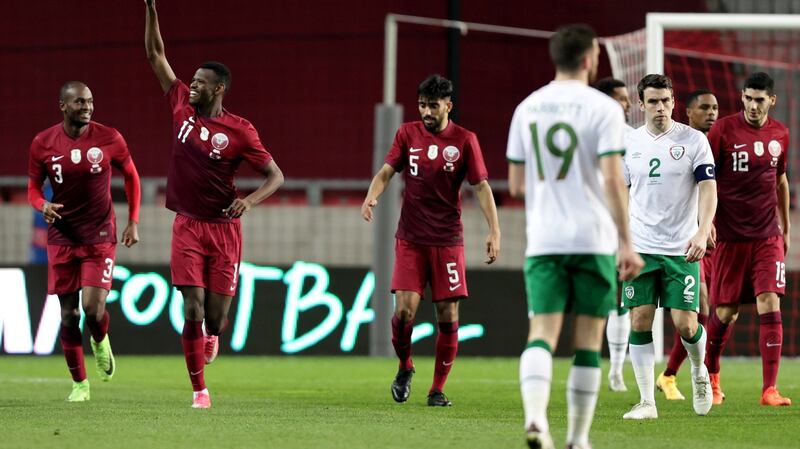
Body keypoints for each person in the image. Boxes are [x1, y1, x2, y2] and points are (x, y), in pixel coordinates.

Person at [508, 24, 643, 449]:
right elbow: (611, 177)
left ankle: (535, 419)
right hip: (592, 239)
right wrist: (626, 240)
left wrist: (554, 192)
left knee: (540, 334)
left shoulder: (526, 108)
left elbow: (514, 184)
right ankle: (578, 439)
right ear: (588, 59)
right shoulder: (604, 109)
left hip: (545, 240)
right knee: (587, 342)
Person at [144, 0, 284, 409]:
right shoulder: (180, 105)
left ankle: (214, 336)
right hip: (187, 224)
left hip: (224, 230)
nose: (193, 85)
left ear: (218, 88)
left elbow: (276, 176)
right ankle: (199, 390)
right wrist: (151, 8)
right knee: (191, 306)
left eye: (201, 82)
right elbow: (155, 54)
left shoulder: (240, 131)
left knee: (215, 317)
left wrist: (250, 201)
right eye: (193, 80)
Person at [361, 74, 501, 408]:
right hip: (410, 238)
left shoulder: (465, 140)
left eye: (432, 105)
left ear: (448, 106)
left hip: (447, 240)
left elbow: (481, 187)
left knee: (448, 316)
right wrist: (371, 196)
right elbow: (386, 173)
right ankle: (405, 367)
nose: (426, 111)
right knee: (405, 312)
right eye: (422, 104)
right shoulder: (407, 133)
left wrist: (494, 230)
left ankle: (436, 389)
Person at [28, 81, 141, 402]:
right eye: (79, 103)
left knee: (92, 309)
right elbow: (33, 188)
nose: (87, 107)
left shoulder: (110, 138)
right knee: (68, 315)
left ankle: (100, 340)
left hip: (100, 234)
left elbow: (131, 175)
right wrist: (42, 206)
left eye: (90, 101)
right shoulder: (42, 143)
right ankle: (80, 384)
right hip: (62, 236)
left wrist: (133, 220)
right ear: (63, 106)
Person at [621, 74, 716, 420]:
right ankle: (647, 401)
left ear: (674, 102)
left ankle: (698, 370)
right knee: (640, 319)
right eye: (653, 101)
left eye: (665, 101)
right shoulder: (630, 143)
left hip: (681, 247)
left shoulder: (693, 141)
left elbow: (708, 189)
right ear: (641, 103)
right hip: (641, 247)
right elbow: (621, 194)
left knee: (685, 324)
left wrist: (703, 231)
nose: (660, 107)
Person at [704, 72, 791, 407]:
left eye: (760, 99)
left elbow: (780, 181)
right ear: (742, 97)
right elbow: (704, 180)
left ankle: (769, 389)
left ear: (772, 100)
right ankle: (711, 378)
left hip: (766, 236)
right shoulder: (722, 130)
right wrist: (705, 222)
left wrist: (786, 227)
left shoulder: (780, 133)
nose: (754, 106)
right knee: (725, 313)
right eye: (749, 98)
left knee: (770, 300)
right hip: (729, 237)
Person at [657, 89, 719, 401]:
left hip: (707, 236)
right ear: (688, 112)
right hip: (677, 240)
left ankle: (682, 373)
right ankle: (672, 374)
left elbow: (711, 189)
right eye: (704, 108)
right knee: (699, 307)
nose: (712, 113)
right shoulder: (673, 143)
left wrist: (707, 224)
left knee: (710, 310)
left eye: (715, 108)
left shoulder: (713, 143)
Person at [596, 77, 634, 393]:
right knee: (599, 301)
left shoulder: (635, 138)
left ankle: (617, 370)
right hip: (592, 231)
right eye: (622, 99)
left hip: (627, 232)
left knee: (623, 302)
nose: (628, 104)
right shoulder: (587, 137)